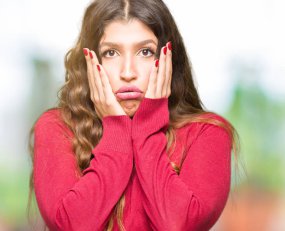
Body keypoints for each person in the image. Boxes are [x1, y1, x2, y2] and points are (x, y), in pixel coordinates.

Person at [28, 0, 239, 230]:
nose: (128, 72)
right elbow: (71, 225)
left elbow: (179, 225)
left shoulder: (208, 133)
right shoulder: (58, 128)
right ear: (90, 62)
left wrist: (148, 125)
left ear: (168, 59)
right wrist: (116, 130)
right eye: (111, 53)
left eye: (145, 52)